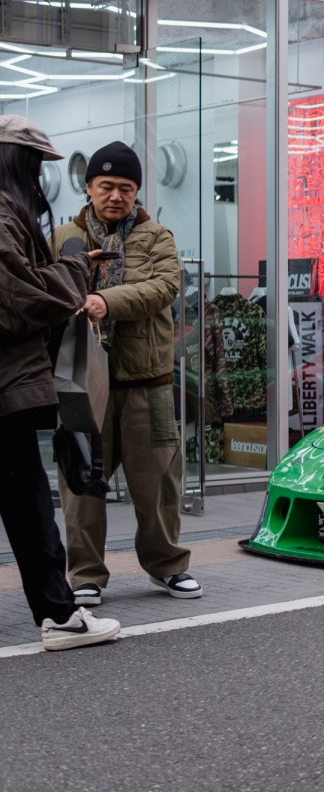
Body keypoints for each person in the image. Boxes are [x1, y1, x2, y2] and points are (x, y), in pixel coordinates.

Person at [54, 141, 202, 604]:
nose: (116, 196)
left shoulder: (157, 237)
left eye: (126, 188)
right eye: (106, 186)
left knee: (158, 482)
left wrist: (103, 300)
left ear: (137, 191)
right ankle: (85, 576)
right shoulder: (63, 239)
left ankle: (166, 566)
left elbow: (162, 287)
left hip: (148, 384)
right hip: (82, 386)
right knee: (82, 487)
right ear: (89, 187)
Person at [0, 115, 121, 650]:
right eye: (34, 164)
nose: (38, 178)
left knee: (26, 500)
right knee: (28, 505)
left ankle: (60, 612)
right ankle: (61, 616)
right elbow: (24, 298)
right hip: (6, 383)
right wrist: (73, 269)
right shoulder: (3, 213)